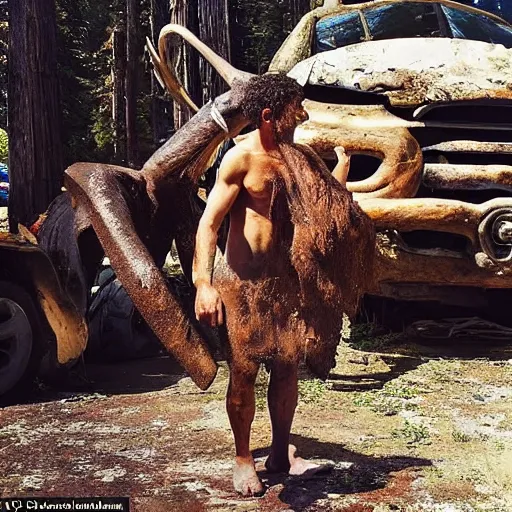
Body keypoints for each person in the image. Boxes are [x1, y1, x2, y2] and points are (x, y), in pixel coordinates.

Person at [192, 73, 354, 496]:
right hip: (242, 287)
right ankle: (244, 457)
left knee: (287, 370)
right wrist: (203, 284)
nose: (302, 114)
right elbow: (208, 225)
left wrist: (341, 169)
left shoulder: (299, 157)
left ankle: (281, 453)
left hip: (287, 287)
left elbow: (328, 203)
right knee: (243, 373)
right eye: (294, 108)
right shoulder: (240, 160)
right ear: (268, 116)